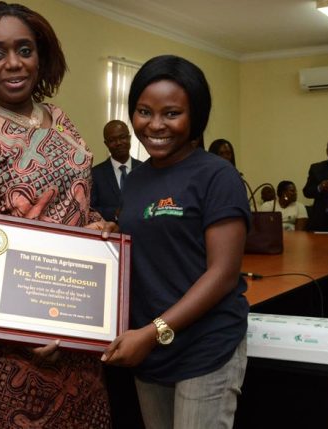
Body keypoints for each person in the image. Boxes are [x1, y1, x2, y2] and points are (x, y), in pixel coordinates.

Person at [0, 2, 115, 427]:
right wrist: (24, 329)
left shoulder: (62, 121)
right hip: (4, 354)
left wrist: (99, 229)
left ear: (41, 55)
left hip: (75, 337)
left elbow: (74, 203)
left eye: (24, 49)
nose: (13, 63)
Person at [101, 55, 250, 429]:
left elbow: (222, 275)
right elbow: (149, 243)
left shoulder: (218, 176)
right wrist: (109, 238)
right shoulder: (134, 179)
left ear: (195, 116)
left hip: (204, 347)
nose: (155, 125)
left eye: (171, 113)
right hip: (150, 351)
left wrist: (153, 333)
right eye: (143, 111)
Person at [91, 119, 143, 221]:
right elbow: (90, 209)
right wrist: (115, 213)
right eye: (112, 140)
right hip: (110, 234)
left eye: (122, 137)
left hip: (141, 232)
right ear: (106, 144)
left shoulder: (145, 170)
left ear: (129, 138)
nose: (118, 143)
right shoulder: (95, 174)